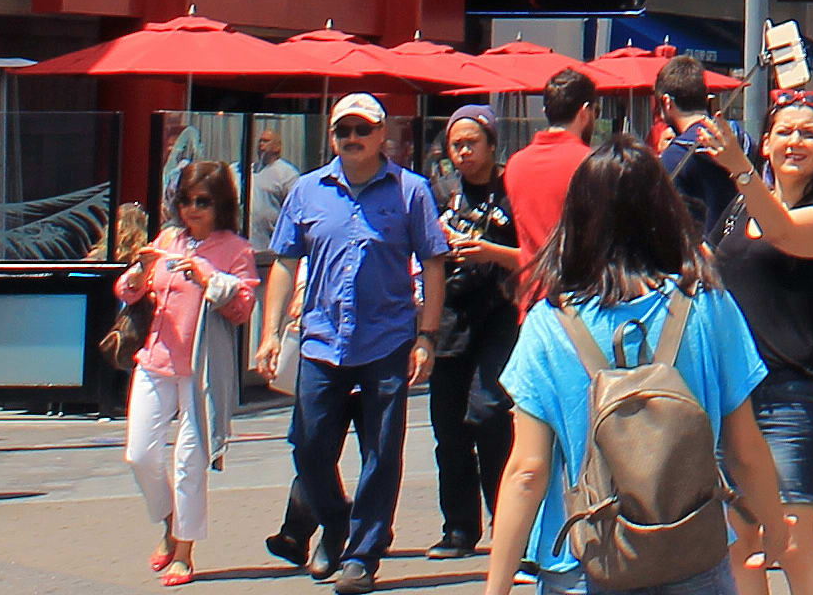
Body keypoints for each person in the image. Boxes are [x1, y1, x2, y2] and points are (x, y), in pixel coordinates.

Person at [480, 144, 792, 595]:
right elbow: (744, 447)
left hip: (584, 557)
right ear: (665, 210)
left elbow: (527, 471)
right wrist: (773, 526)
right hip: (691, 553)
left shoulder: (549, 324)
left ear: (578, 216)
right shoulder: (707, 305)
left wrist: (497, 587)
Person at [259, 90, 452, 591]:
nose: (352, 138)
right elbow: (284, 261)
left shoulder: (411, 191)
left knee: (382, 451)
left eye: (362, 129)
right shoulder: (306, 190)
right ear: (332, 136)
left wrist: (426, 337)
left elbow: (434, 265)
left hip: (387, 338)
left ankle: (363, 555)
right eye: (343, 130)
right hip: (321, 339)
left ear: (381, 135)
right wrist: (270, 333)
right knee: (308, 445)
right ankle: (337, 519)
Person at [692, 96, 813, 592]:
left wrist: (742, 170)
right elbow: (708, 264)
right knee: (740, 548)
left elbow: (784, 232)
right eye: (784, 131)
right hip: (730, 398)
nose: (795, 142)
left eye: (809, 134)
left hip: (789, 397)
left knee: (790, 544)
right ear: (766, 142)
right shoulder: (738, 207)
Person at [116, 161, 260, 584]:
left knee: (188, 463)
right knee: (140, 453)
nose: (191, 210)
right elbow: (127, 290)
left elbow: (242, 308)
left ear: (221, 205)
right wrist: (141, 270)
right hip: (156, 360)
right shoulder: (168, 239)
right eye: (185, 200)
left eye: (202, 202)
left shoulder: (235, 249)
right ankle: (169, 520)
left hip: (202, 372)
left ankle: (184, 550)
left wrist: (208, 278)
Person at [427, 110, 525, 562]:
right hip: (449, 316)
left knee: (488, 412)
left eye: (472, 143)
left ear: (491, 144)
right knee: (449, 429)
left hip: (499, 313)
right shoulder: (439, 193)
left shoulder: (513, 189)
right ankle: (459, 527)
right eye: (456, 145)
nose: (464, 152)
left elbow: (533, 252)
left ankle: (507, 519)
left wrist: (491, 252)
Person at [503, 67, 601, 313]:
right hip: (583, 304)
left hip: (534, 305)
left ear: (546, 111)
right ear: (585, 111)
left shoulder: (515, 164)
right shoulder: (593, 164)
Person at [653, 55, 741, 241]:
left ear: (667, 102)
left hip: (700, 261)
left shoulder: (674, 156)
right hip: (743, 255)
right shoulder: (741, 139)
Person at [248, 124, 302, 256]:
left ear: (277, 147)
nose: (261, 144)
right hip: (246, 247)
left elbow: (295, 211)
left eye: (266, 141)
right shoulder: (249, 170)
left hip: (270, 249)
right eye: (260, 141)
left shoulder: (287, 174)